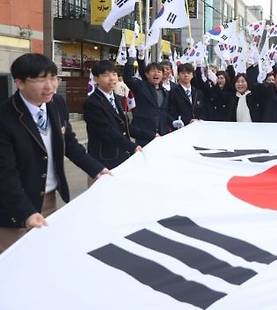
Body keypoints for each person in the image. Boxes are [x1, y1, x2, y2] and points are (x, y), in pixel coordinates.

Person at [0, 54, 109, 251]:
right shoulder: (5, 118)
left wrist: (98, 169)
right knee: (12, 266)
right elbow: (5, 173)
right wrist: (25, 213)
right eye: (41, 79)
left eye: (53, 78)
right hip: (14, 208)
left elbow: (70, 145)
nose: (50, 86)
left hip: (49, 198)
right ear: (19, 83)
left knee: (43, 258)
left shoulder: (57, 104)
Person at [83, 60, 140, 170]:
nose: (112, 78)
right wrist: (132, 147)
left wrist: (152, 135)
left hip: (121, 155)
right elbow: (107, 131)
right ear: (96, 79)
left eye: (114, 74)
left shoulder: (117, 98)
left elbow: (126, 126)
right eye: (106, 75)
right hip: (103, 159)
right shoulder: (93, 102)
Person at [123, 50, 171, 147]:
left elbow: (164, 112)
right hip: (144, 133)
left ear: (162, 75)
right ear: (147, 74)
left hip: (161, 133)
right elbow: (128, 79)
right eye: (153, 71)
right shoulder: (141, 86)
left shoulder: (165, 92)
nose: (156, 74)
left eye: (159, 71)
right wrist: (131, 59)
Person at [169, 63, 204, 129]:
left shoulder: (198, 92)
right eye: (183, 73)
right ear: (178, 75)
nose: (186, 75)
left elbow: (202, 110)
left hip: (197, 127)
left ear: (192, 75)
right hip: (180, 128)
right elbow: (171, 111)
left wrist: (198, 120)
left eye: (188, 73)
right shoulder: (173, 92)